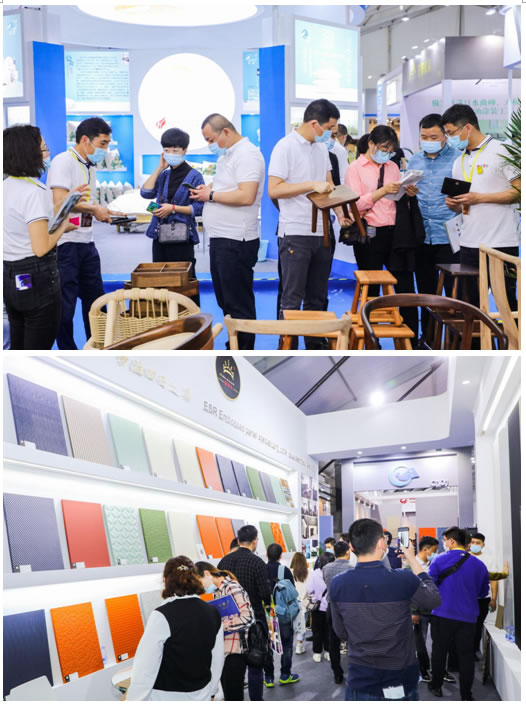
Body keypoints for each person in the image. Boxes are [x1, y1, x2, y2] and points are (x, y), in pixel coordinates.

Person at [268, 99, 353, 349]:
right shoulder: (285, 147)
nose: (332, 134)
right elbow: (274, 189)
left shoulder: (321, 148)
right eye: (330, 128)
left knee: (318, 297)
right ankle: (287, 350)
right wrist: (309, 185)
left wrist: (340, 213)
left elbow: (329, 185)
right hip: (295, 232)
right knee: (291, 298)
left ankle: (316, 346)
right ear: (315, 124)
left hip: (323, 232)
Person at [330, 519, 441, 701]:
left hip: (360, 676)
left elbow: (341, 632)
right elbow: (434, 600)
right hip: (399, 676)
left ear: (351, 546)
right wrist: (412, 558)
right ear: (382, 543)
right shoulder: (404, 579)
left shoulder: (337, 583)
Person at [3, 125, 86, 349]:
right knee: (38, 348)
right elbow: (40, 248)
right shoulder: (34, 192)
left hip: (10, 275)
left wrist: (64, 202)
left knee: (18, 346)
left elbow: (25, 222)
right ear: (29, 153)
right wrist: (63, 228)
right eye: (43, 148)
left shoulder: (6, 186)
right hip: (37, 277)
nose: (47, 154)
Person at [191, 114, 265, 350]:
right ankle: (235, 343)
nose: (210, 145)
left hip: (236, 240)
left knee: (238, 302)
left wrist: (211, 195)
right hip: (222, 238)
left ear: (225, 132)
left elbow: (246, 195)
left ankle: (243, 350)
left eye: (211, 139)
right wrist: (209, 189)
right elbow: (229, 185)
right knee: (226, 300)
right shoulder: (228, 155)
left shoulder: (247, 155)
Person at [47, 117, 121, 350]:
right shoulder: (63, 161)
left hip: (86, 241)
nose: (105, 149)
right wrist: (93, 209)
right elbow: (60, 201)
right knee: (65, 305)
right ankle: (68, 351)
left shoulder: (90, 166)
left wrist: (104, 210)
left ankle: (98, 346)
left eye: (108, 144)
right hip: (65, 243)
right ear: (85, 140)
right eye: (102, 143)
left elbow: (86, 202)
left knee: (97, 300)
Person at [441, 104, 520, 308]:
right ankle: (477, 332)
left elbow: (519, 192)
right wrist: (455, 205)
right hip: (468, 242)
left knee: (506, 303)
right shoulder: (459, 161)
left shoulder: (502, 151)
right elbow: (464, 206)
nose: (449, 139)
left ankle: (510, 332)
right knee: (470, 306)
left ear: (467, 128)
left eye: (451, 133)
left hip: (500, 242)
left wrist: (480, 198)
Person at [127, 556, 224, 701]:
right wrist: (212, 691)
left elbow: (145, 667)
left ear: (165, 581)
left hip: (166, 697)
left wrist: (134, 699)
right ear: (195, 578)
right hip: (202, 693)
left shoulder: (161, 615)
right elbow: (217, 659)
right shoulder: (213, 612)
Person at [345, 125, 419, 297]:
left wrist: (408, 193)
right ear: (371, 144)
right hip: (369, 233)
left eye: (391, 151)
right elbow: (355, 205)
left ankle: (409, 315)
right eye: (384, 149)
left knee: (404, 283)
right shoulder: (355, 168)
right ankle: (371, 315)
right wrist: (383, 191)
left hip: (396, 233)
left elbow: (397, 197)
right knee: (371, 286)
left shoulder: (392, 167)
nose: (387, 153)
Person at [407, 114, 462, 335]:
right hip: (422, 235)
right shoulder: (414, 160)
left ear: (445, 136)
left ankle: (454, 340)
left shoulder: (458, 159)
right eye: (424, 137)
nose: (428, 140)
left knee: (453, 293)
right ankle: (428, 338)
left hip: (449, 235)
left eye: (434, 137)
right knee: (425, 291)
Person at [140, 127, 204, 304]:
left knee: (185, 281)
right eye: (167, 150)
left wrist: (173, 208)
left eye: (175, 150)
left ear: (185, 151)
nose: (171, 154)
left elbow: (199, 208)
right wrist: (159, 168)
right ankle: (166, 317)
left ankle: (190, 316)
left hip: (182, 237)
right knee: (160, 279)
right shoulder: (164, 175)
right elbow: (145, 193)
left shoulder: (195, 176)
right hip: (160, 235)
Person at [428, 526, 489, 700]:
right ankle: (466, 695)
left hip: (442, 614)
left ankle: (436, 686)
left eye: (445, 540)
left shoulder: (439, 560)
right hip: (468, 617)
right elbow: (483, 592)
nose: (444, 543)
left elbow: (430, 586)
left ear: (452, 541)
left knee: (439, 651)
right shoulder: (479, 565)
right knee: (466, 656)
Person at [218, 524, 271, 701]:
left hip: (230, 625)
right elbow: (265, 593)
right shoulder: (257, 562)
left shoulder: (223, 562)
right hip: (254, 622)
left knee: (233, 668)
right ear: (255, 541)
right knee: (255, 664)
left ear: (238, 540)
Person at [195, 561, 255, 701]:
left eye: (200, 583)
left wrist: (220, 625)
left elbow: (248, 618)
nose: (201, 588)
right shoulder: (218, 592)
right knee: (230, 694)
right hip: (225, 651)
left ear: (207, 574)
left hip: (235, 651)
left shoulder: (232, 588)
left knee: (233, 696)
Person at [263, 543, 300, 687]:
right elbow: (292, 592)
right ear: (280, 556)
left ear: (267, 555)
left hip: (266, 613)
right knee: (287, 644)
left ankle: (269, 678)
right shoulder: (284, 570)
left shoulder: (261, 569)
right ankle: (285, 675)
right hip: (283, 613)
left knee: (267, 645)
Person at [408, 536, 440, 683]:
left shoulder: (433, 564)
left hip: (435, 610)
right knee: (419, 642)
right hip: (420, 611)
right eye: (434, 550)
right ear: (425, 549)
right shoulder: (411, 565)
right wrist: (414, 611)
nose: (435, 553)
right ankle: (422, 669)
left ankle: (437, 668)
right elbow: (410, 590)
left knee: (438, 641)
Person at [322, 540, 353, 684]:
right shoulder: (352, 569)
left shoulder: (326, 568)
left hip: (332, 607)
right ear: (347, 552)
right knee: (353, 640)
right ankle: (354, 672)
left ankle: (337, 673)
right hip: (349, 608)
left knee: (333, 640)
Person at [469, 532, 498, 658]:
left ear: (483, 545)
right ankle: (464, 652)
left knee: (478, 626)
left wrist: (494, 598)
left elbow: (493, 580)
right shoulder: (464, 558)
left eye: (478, 543)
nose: (475, 545)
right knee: (466, 626)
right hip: (467, 599)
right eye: (473, 542)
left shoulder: (489, 559)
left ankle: (474, 650)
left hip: (483, 599)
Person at [306, 551, 334, 662]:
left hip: (317, 607)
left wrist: (315, 596)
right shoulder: (333, 574)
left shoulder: (314, 573)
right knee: (329, 630)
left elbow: (309, 589)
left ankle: (317, 653)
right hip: (330, 607)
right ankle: (328, 651)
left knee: (317, 630)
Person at [290, 551, 310, 654]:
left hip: (292, 603)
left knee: (291, 625)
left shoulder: (289, 571)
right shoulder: (308, 572)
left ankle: (289, 645)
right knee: (301, 625)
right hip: (304, 603)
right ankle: (299, 645)